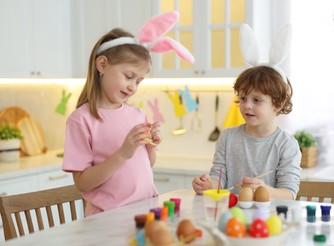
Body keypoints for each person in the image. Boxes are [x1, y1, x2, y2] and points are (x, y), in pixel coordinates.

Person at [62, 11, 194, 216]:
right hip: (107, 217)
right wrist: (122, 153)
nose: (133, 87)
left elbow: (146, 165)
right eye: (129, 76)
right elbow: (83, 183)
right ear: (102, 65)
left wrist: (150, 147)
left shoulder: (137, 114)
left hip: (145, 208)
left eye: (139, 81)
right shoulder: (81, 120)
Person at [192, 24, 301, 200]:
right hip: (230, 219)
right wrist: (208, 185)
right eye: (243, 98)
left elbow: (288, 194)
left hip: (268, 222)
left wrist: (264, 189)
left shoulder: (286, 145)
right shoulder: (228, 137)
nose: (247, 105)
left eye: (256, 100)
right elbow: (218, 179)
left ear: (278, 104)